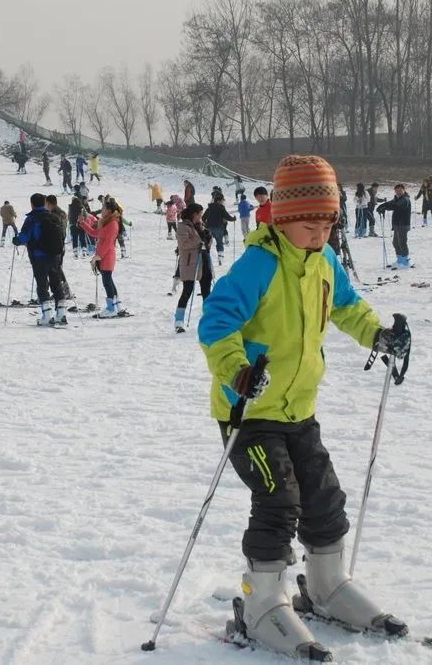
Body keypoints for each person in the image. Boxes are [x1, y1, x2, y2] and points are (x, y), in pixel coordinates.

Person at [196, 155, 410, 661]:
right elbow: (216, 322)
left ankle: (326, 585)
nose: (319, 234)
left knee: (322, 496)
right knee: (278, 500)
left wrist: (379, 334)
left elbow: (348, 306)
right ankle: (261, 604)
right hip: (249, 413)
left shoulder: (324, 263)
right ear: (283, 219)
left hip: (299, 409)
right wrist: (237, 370)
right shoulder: (258, 264)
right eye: (310, 225)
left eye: (328, 224)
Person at [13, 192, 71, 326]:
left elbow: (24, 237)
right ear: (44, 202)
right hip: (56, 255)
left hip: (39, 256)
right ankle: (61, 315)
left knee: (42, 285)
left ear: (32, 204)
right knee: (56, 284)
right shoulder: (54, 217)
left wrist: (16, 240)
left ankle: (47, 315)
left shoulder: (32, 219)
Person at [79, 198, 128, 318]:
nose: (101, 210)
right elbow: (95, 233)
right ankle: (117, 305)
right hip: (102, 255)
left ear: (109, 210)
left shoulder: (113, 223)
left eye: (103, 208)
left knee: (107, 281)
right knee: (108, 280)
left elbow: (107, 243)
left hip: (107, 255)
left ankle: (111, 308)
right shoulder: (105, 221)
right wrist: (82, 223)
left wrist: (98, 257)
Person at [173, 203, 213, 333]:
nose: (201, 217)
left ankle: (209, 320)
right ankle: (179, 321)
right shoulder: (183, 226)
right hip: (191, 263)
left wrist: (208, 238)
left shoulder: (201, 226)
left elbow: (206, 244)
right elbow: (183, 244)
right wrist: (199, 242)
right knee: (187, 290)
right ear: (193, 214)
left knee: (207, 291)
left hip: (204, 261)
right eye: (199, 214)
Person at [376, 184, 413, 268]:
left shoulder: (405, 199)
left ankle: (405, 261)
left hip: (403, 225)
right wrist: (382, 206)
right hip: (397, 225)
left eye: (400, 190)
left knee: (402, 243)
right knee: (396, 243)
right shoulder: (397, 198)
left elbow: (397, 206)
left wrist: (385, 207)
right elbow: (391, 203)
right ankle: (400, 260)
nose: (398, 192)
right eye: (397, 191)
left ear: (404, 190)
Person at [203, 194, 236, 265]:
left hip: (209, 228)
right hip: (218, 227)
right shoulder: (221, 207)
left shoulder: (209, 208)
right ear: (218, 200)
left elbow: (203, 218)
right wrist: (233, 219)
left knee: (208, 242)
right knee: (219, 242)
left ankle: (206, 256)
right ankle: (220, 257)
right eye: (222, 200)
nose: (222, 202)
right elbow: (227, 216)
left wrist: (206, 224)